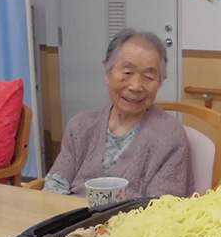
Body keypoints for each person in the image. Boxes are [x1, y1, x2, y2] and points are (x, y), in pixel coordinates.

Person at [44, 29, 193, 198]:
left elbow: (162, 208)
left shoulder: (170, 137)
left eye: (149, 77)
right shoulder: (80, 126)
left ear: (160, 82)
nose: (136, 86)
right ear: (108, 73)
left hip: (134, 223)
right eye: (127, 73)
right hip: (72, 221)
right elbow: (55, 186)